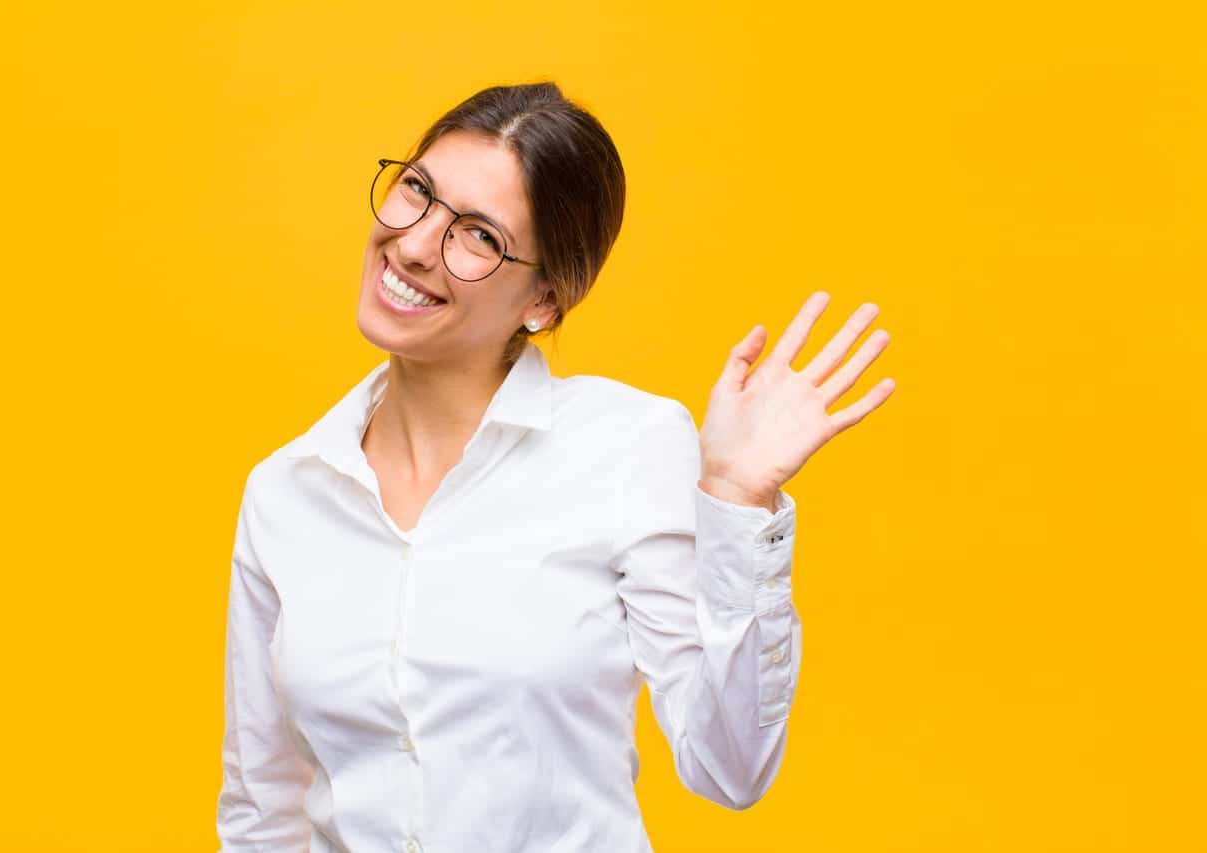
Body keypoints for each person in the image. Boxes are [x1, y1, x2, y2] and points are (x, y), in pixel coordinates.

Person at [215, 81, 894, 853]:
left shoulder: (626, 446)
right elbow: (261, 806)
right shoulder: (286, 492)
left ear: (545, 299)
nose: (410, 245)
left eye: (476, 235)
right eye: (417, 190)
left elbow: (730, 766)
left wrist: (738, 501)